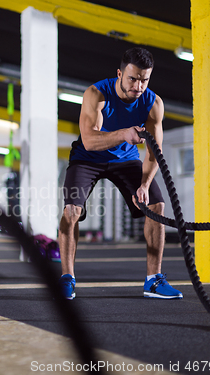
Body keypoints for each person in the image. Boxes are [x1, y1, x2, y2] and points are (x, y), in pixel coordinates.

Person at [58, 47, 182, 300]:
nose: (138, 86)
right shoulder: (96, 94)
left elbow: (152, 152)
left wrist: (145, 184)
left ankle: (153, 281)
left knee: (157, 205)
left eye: (144, 80)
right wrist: (124, 134)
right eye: (133, 79)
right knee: (72, 211)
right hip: (87, 158)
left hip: (125, 160)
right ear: (119, 74)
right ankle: (67, 278)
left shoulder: (153, 103)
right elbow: (90, 140)